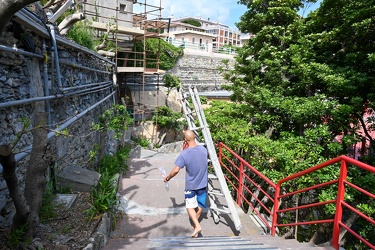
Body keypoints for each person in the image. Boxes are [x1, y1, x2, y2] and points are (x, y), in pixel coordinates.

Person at [163, 130, 208, 237]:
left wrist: (167, 178)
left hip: (191, 186)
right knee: (200, 204)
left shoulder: (185, 154)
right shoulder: (204, 150)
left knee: (189, 206)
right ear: (194, 137)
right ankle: (195, 222)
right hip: (203, 183)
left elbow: (175, 170)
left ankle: (197, 226)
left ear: (185, 140)